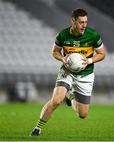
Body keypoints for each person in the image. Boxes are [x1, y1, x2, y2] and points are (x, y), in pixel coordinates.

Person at [30, 8, 106, 136]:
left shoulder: (93, 35)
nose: (84, 26)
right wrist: (62, 58)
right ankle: (38, 128)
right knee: (56, 100)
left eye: (86, 22)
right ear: (73, 21)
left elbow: (102, 54)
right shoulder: (63, 35)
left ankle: (70, 96)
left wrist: (89, 61)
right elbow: (55, 52)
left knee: (83, 114)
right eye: (81, 22)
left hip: (85, 75)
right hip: (67, 71)